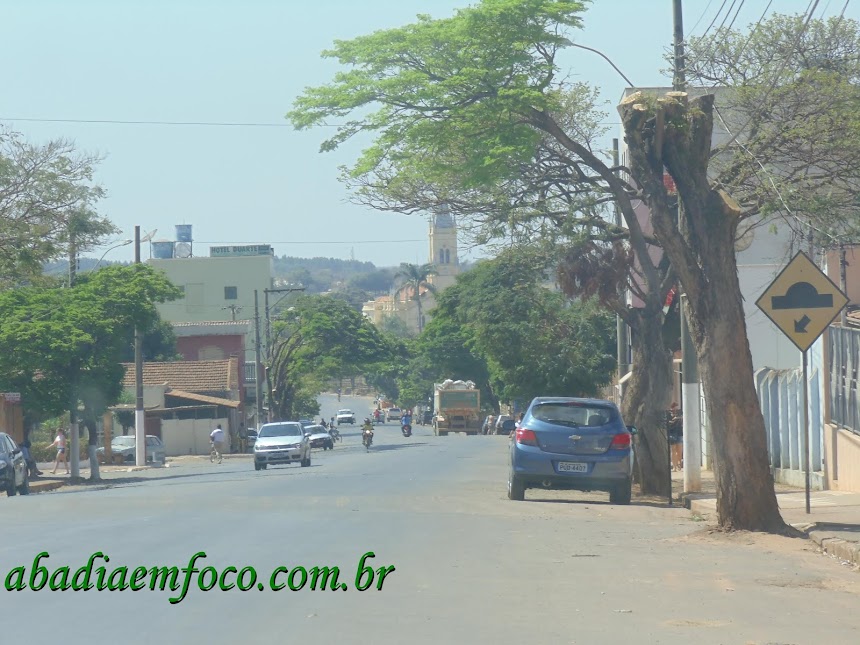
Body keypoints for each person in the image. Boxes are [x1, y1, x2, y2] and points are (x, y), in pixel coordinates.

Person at [668, 403, 683, 471]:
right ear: (672, 408)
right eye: (675, 408)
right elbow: (668, 423)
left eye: (677, 408)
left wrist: (679, 418)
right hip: (672, 433)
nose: (676, 410)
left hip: (679, 433)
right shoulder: (668, 414)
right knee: (673, 450)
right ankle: (674, 466)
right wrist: (674, 419)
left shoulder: (680, 414)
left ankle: (679, 464)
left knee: (679, 450)